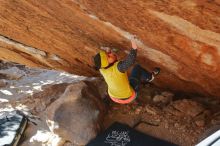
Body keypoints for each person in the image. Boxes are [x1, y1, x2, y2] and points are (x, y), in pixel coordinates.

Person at [93, 40, 160, 104]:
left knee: (124, 80)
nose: (110, 54)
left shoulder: (102, 69)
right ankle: (150, 77)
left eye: (108, 53)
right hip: (129, 97)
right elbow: (130, 60)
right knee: (137, 68)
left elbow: (106, 61)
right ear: (107, 63)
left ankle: (136, 82)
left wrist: (108, 51)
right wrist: (134, 47)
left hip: (114, 97)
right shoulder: (119, 68)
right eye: (109, 56)